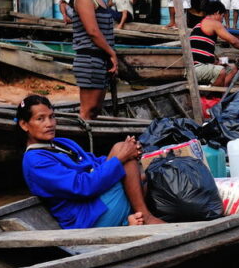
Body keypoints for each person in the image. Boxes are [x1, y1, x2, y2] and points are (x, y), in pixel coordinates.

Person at [17, 95, 162, 229]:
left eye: (51, 117)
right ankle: (145, 216)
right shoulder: (35, 161)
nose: (49, 124)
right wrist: (122, 158)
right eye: (40, 119)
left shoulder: (62, 143)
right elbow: (83, 187)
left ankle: (129, 220)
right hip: (88, 218)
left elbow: (94, 162)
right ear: (24, 125)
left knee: (123, 152)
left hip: (96, 201)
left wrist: (123, 154)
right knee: (127, 160)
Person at [72, 0, 117, 121]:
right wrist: (112, 53)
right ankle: (81, 146)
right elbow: (92, 31)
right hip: (89, 59)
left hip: (100, 59)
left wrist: (109, 56)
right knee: (87, 112)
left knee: (95, 111)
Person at [190, 0, 239, 87]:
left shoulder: (198, 25)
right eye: (222, 16)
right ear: (217, 12)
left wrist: (222, 61)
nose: (222, 20)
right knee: (221, 71)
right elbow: (233, 41)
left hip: (203, 64)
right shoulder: (214, 23)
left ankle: (221, 94)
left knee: (232, 67)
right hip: (197, 67)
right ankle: (213, 96)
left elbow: (205, 54)